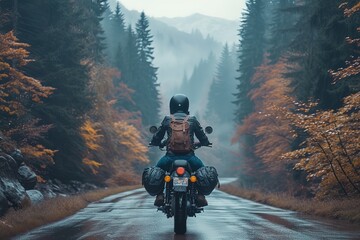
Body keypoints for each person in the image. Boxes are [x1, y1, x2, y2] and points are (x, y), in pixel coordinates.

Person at [149, 94, 211, 207]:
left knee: (157, 170)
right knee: (203, 171)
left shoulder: (167, 120)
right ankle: (201, 196)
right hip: (190, 157)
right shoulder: (192, 120)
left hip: (170, 157)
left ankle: (159, 195)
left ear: (171, 106)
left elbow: (158, 136)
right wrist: (205, 143)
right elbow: (202, 136)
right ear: (186, 106)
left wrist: (154, 143)